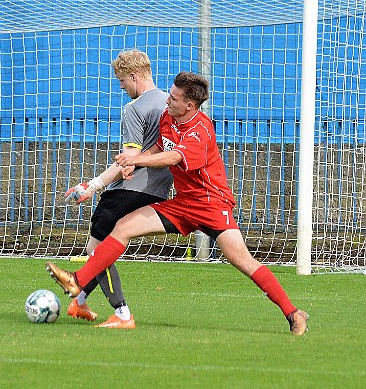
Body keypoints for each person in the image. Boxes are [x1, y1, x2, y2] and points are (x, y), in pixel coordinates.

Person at [47, 71, 309, 336]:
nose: (167, 101)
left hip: (211, 205)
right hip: (183, 204)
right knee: (123, 226)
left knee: (243, 261)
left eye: (173, 98)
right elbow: (158, 149)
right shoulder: (168, 117)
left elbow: (173, 157)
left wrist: (136, 161)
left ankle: (293, 313)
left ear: (189, 106)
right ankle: (78, 282)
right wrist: (132, 162)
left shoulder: (201, 130)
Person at [63, 49, 172, 328]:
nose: (121, 87)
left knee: (97, 249)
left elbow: (128, 162)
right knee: (99, 246)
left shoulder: (134, 109)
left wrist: (92, 185)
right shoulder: (169, 105)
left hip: (130, 188)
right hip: (158, 189)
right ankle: (81, 302)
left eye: (122, 81)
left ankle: (122, 314)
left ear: (134, 76)